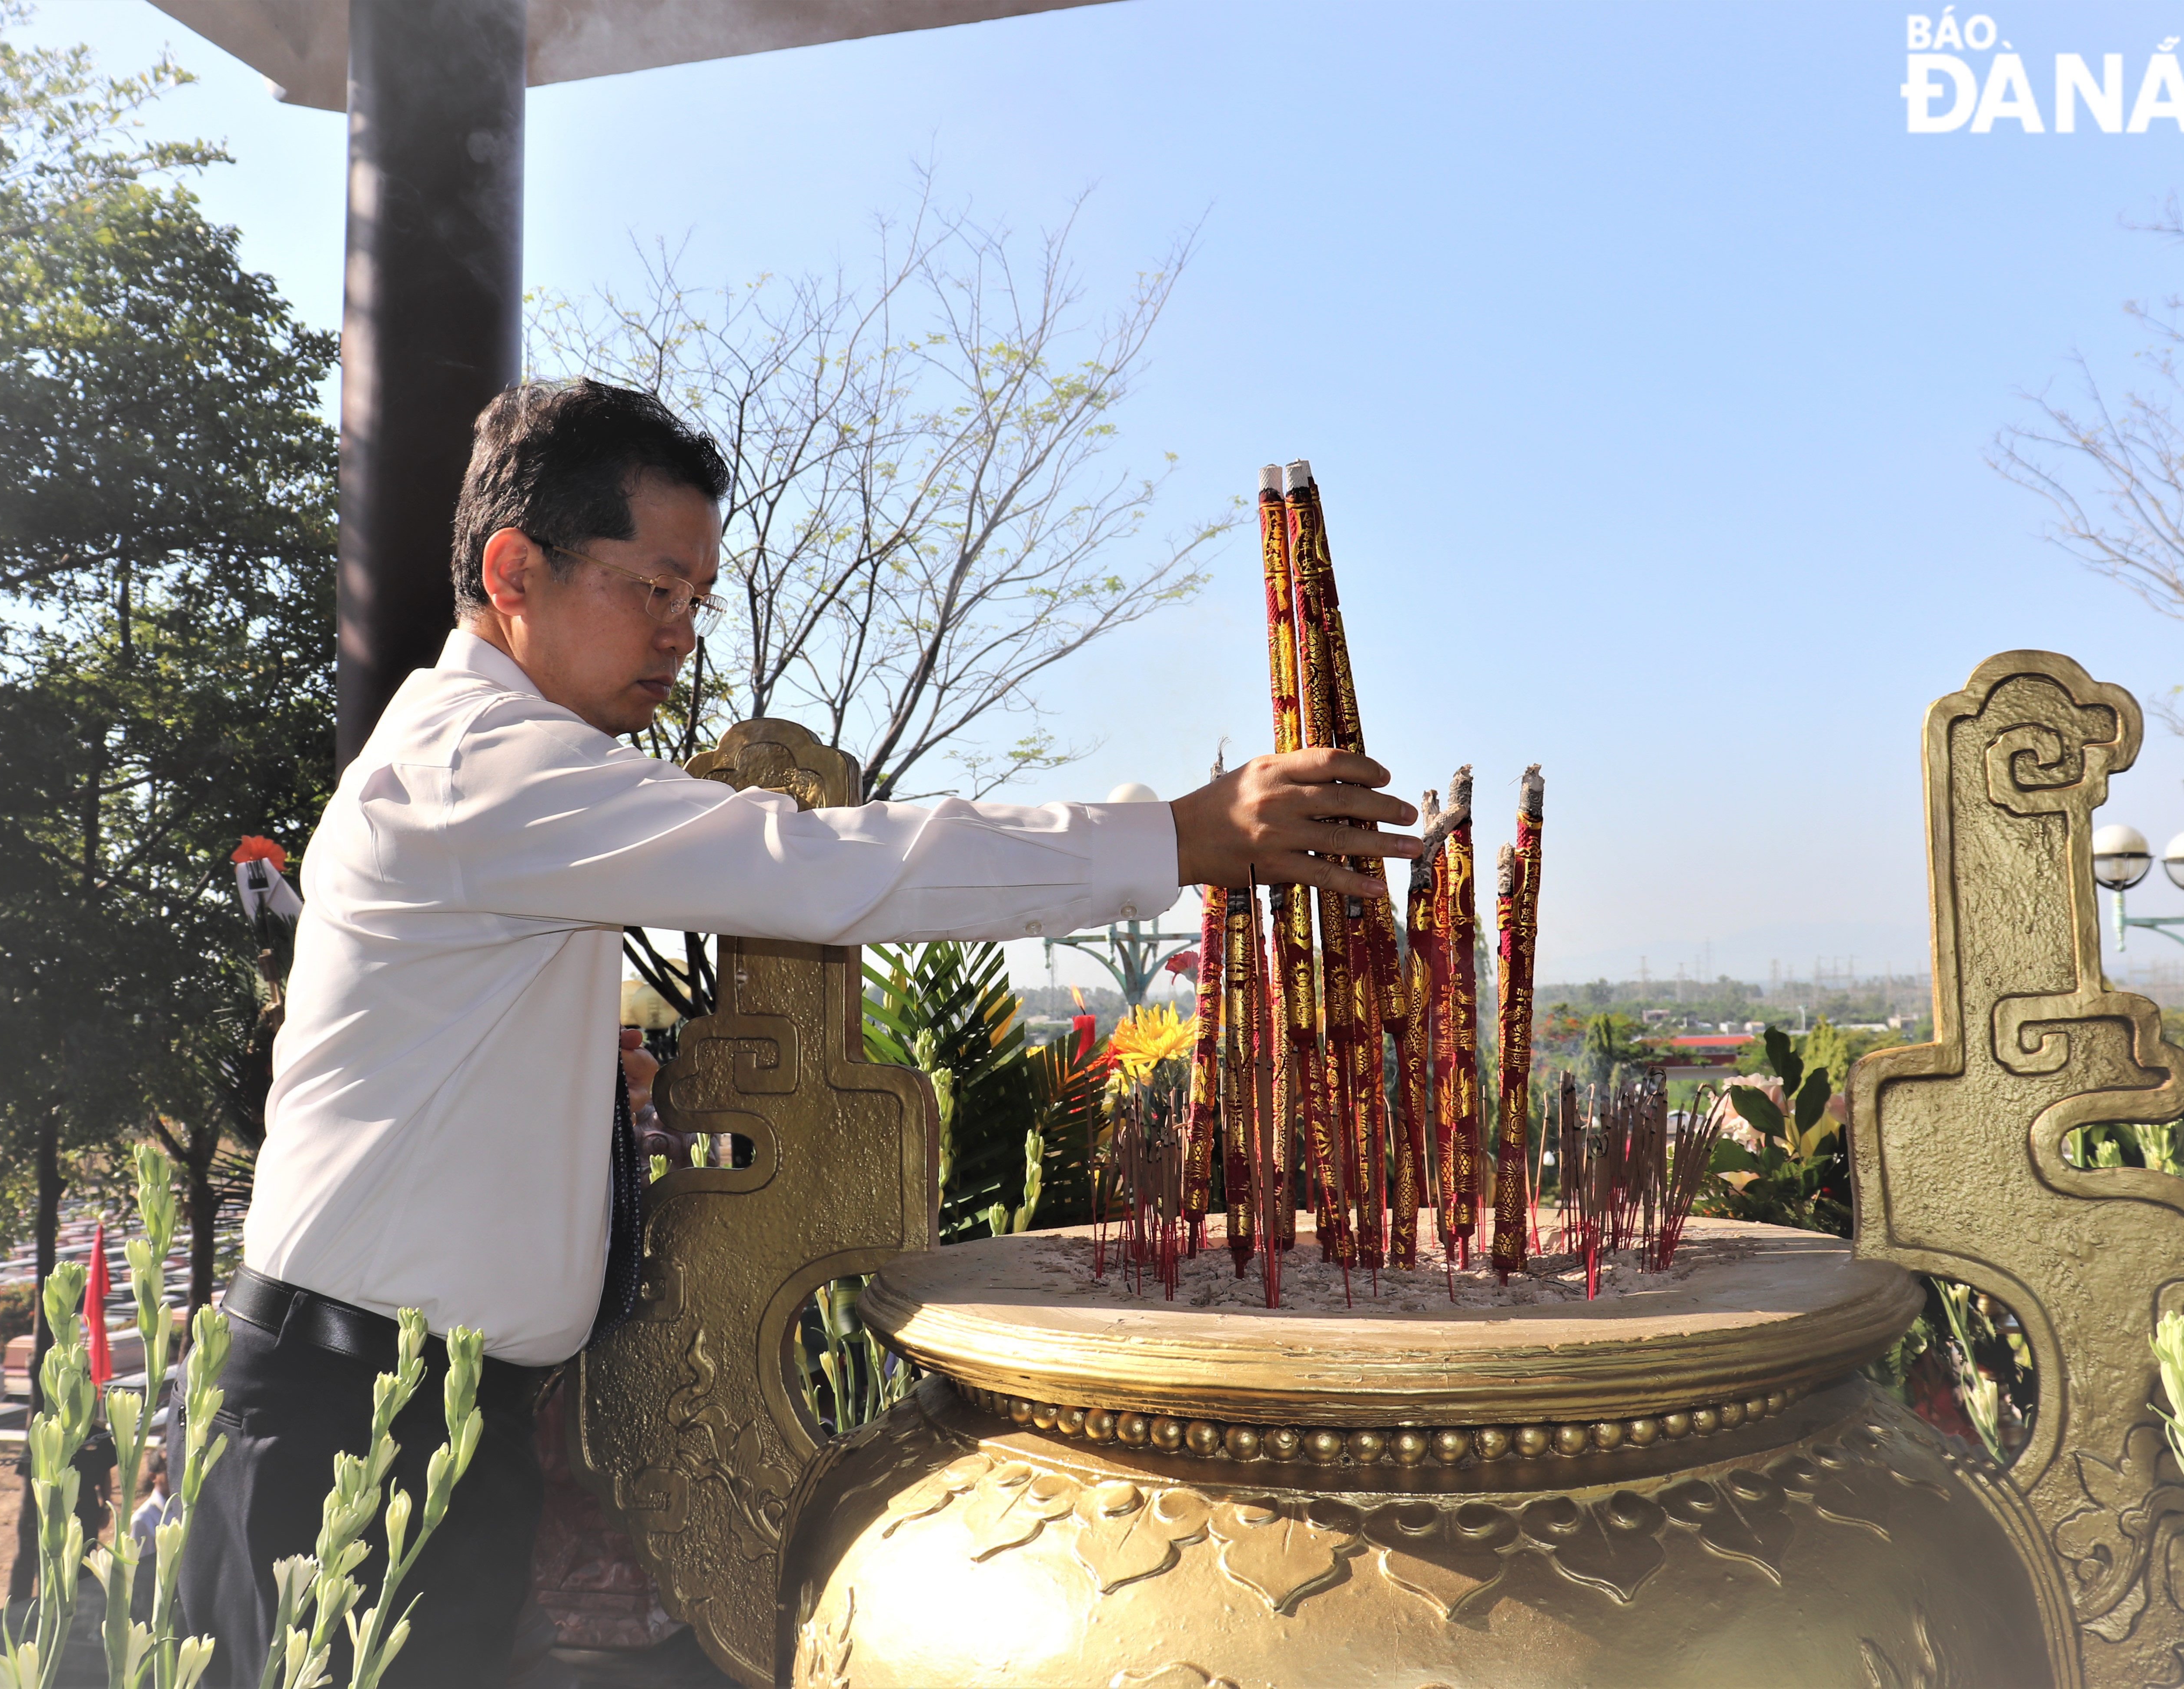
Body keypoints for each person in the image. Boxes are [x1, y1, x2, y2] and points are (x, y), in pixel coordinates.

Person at [178, 379, 1418, 1683]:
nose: (679, 635)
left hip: (422, 1417)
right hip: (347, 1426)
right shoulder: (479, 767)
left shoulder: (497, 773)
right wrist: (1172, 835)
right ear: (513, 570)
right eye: (653, 588)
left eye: (696, 601)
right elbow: (816, 864)